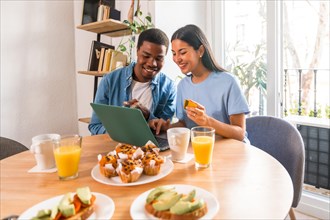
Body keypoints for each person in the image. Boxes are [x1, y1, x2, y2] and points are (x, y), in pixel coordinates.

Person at [149, 24, 250, 142]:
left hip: (232, 151)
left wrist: (206, 121)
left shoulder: (228, 82)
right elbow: (184, 124)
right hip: (199, 150)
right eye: (174, 53)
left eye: (182, 52)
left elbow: (240, 134)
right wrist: (168, 127)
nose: (177, 59)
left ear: (200, 50)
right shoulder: (182, 86)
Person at [89, 28, 176, 135]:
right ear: (137, 51)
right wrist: (121, 133)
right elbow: (95, 126)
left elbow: (162, 129)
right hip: (115, 147)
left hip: (150, 148)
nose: (152, 63)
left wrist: (148, 116)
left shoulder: (169, 87)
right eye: (146, 56)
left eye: (159, 58)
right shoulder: (109, 81)